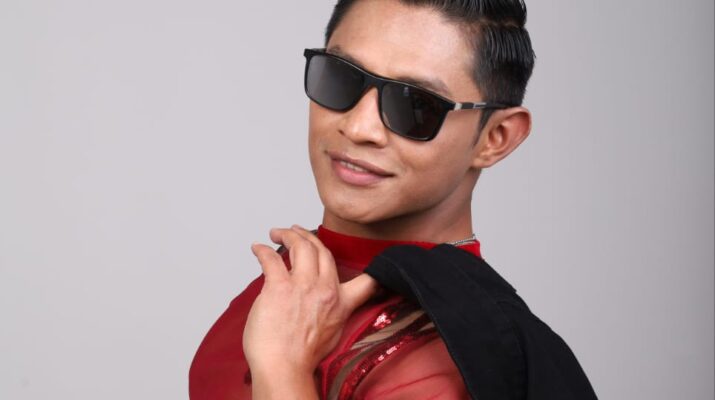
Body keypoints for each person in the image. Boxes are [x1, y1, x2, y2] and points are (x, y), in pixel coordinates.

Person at [190, 0, 597, 399]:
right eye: (342, 76)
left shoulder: (460, 358)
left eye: (416, 104)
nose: (359, 127)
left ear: (496, 138)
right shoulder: (290, 281)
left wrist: (281, 368)